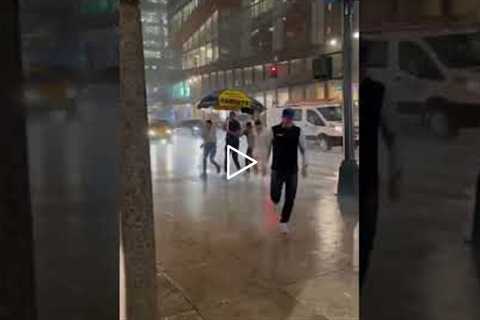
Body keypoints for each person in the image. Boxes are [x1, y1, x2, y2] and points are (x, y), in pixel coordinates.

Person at [359, 44, 397, 289]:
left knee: (367, 239)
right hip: (363, 181)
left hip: (370, 179)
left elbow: (393, 136)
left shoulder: (378, 92)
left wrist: (395, 174)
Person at [263, 108, 308, 235]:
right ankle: (275, 200)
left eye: (290, 118)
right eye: (286, 117)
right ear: (282, 117)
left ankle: (284, 221)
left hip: (292, 171)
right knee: (275, 196)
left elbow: (304, 149)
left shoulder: (298, 131)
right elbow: (267, 148)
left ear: (292, 119)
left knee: (290, 197)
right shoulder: (274, 130)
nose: (288, 120)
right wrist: (264, 164)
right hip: (277, 169)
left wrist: (305, 166)